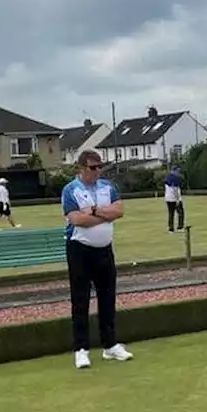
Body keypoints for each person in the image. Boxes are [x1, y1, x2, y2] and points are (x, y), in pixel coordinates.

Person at [61, 149, 133, 369]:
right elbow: (77, 219)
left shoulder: (107, 187)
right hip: (79, 249)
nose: (98, 171)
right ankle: (81, 349)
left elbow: (119, 211)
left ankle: (110, 345)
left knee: (107, 297)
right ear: (82, 168)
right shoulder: (71, 190)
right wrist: (103, 215)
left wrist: (93, 211)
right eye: (93, 167)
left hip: (104, 249)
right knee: (80, 299)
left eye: (100, 166)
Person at [164, 165, 185, 233]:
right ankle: (180, 227)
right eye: (177, 171)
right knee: (181, 212)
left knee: (171, 213)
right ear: (174, 171)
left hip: (167, 198)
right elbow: (175, 190)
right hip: (174, 198)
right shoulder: (175, 178)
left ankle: (171, 228)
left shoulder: (167, 178)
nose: (178, 173)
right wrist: (177, 200)